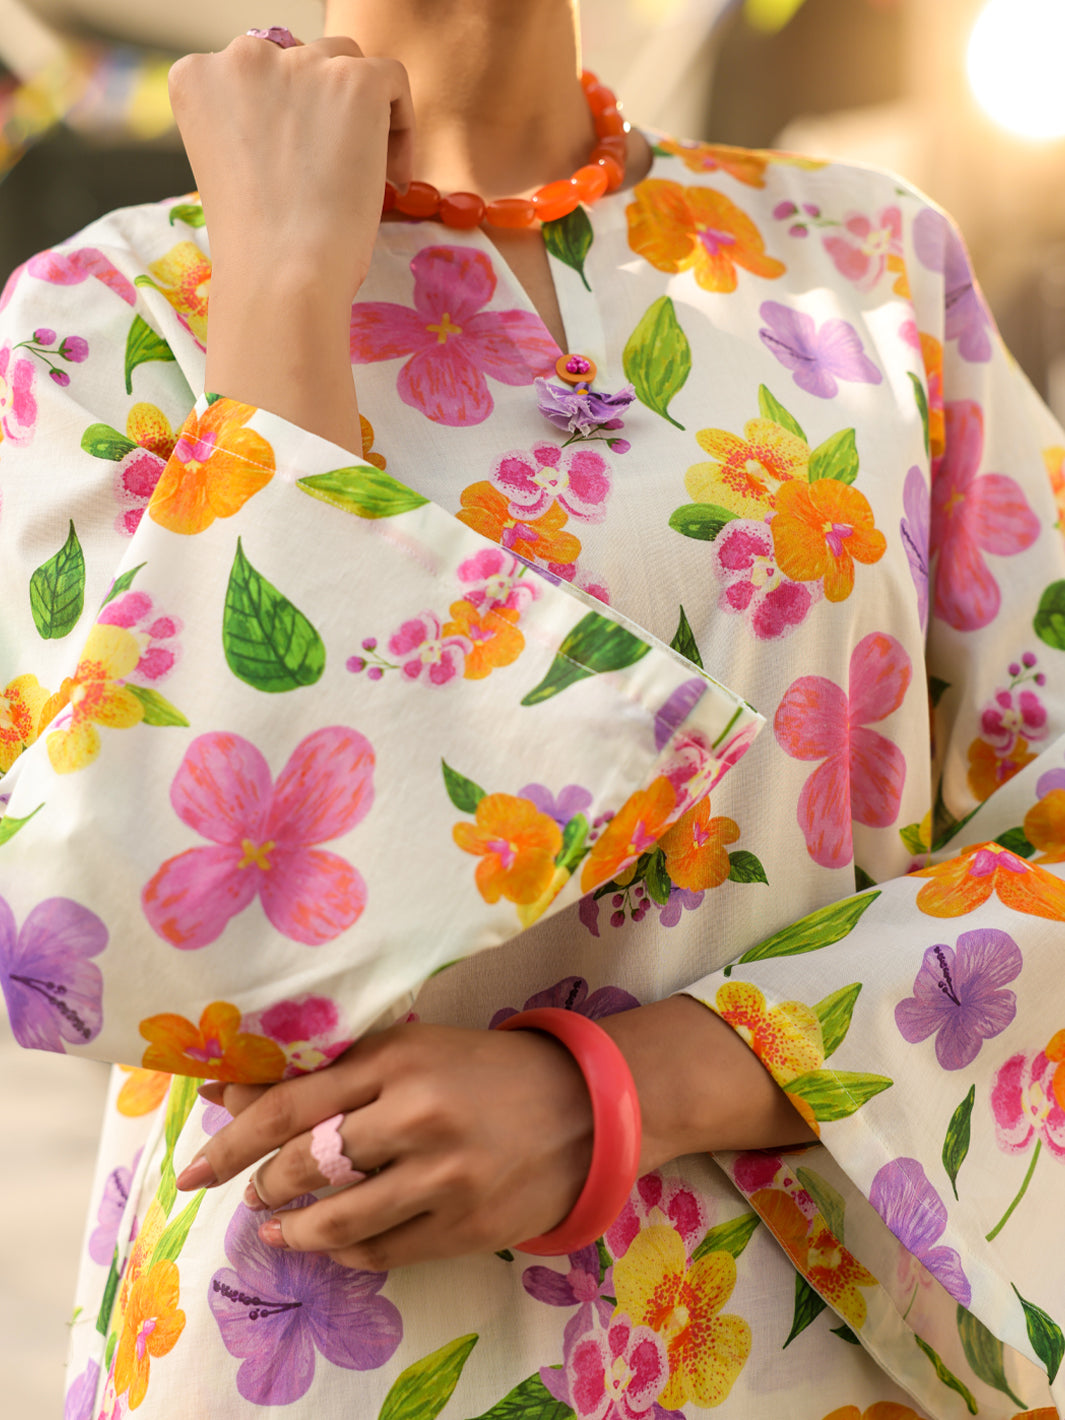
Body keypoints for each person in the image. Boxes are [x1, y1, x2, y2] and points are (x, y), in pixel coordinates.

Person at [0, 1, 1063, 1416]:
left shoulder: (872, 261)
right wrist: (280, 295)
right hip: (310, 1361)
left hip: (808, 1365)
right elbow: (168, 948)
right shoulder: (102, 315)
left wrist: (624, 1089)